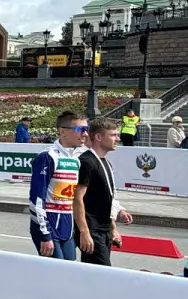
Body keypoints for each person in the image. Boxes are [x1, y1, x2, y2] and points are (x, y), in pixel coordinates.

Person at [27, 110, 87, 260]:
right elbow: (36, 199)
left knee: (70, 272)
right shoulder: (48, 157)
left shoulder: (77, 159)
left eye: (87, 129)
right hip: (47, 226)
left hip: (66, 227)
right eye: (80, 129)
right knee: (55, 275)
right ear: (63, 132)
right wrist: (45, 234)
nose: (85, 134)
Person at [74, 117, 130, 266]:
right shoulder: (87, 161)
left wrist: (113, 228)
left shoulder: (105, 162)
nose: (117, 139)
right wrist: (84, 233)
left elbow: (108, 198)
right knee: (104, 273)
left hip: (103, 229)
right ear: (98, 137)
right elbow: (77, 199)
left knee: (93, 275)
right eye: (113, 135)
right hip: (92, 230)